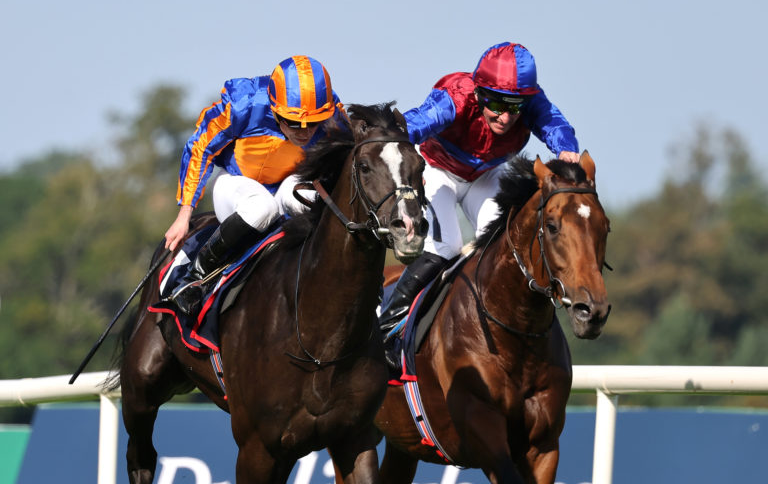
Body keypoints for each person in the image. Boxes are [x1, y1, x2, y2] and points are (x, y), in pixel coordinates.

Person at [379, 42, 581, 332]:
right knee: (448, 246)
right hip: (438, 171)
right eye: (497, 105)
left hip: (486, 174)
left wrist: (566, 149)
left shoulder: (531, 102)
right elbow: (408, 127)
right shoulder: (456, 97)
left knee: (506, 247)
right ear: (479, 93)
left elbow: (555, 124)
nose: (506, 117)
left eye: (516, 108)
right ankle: (388, 327)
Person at [166, 55, 347, 315]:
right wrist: (185, 214)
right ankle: (197, 274)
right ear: (274, 108)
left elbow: (355, 153)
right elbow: (200, 147)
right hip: (236, 185)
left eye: (313, 123)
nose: (305, 131)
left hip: (286, 186)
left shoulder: (334, 114)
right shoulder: (244, 104)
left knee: (309, 197)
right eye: (294, 122)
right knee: (262, 207)